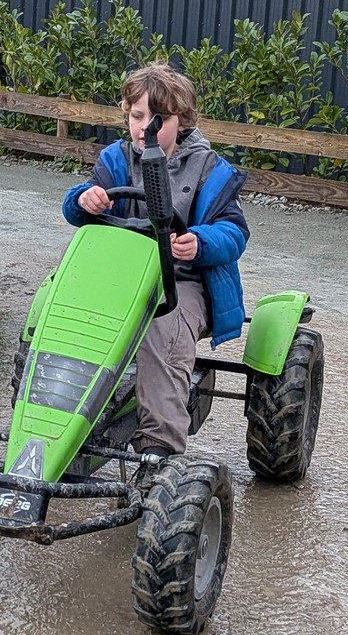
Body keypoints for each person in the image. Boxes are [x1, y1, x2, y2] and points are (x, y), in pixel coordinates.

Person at [61, 62, 250, 467]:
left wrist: (198, 242)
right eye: (136, 116)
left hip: (182, 282)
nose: (143, 127)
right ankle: (54, 427)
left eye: (156, 119)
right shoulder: (116, 159)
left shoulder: (210, 170)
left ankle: (158, 451)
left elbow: (235, 233)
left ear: (181, 121)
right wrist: (85, 199)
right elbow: (78, 203)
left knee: (161, 332)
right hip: (121, 275)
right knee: (58, 311)